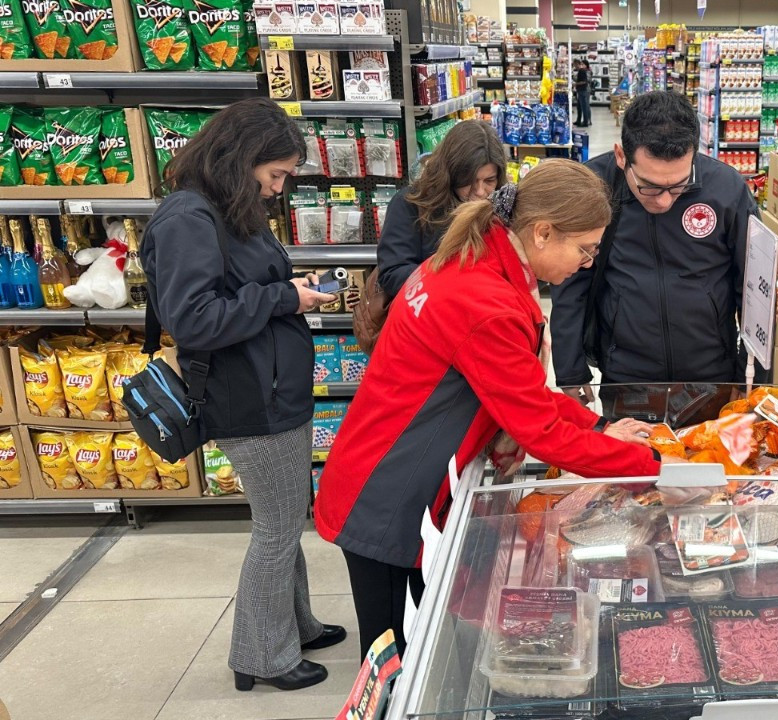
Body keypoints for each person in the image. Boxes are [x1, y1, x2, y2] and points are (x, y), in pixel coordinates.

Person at [314, 160, 670, 658]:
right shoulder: (485, 302)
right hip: (391, 498)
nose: (589, 262)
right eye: (586, 248)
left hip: (384, 469)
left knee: (417, 642)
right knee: (397, 660)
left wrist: (599, 425)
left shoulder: (472, 261)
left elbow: (517, 391)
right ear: (543, 232)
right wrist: (657, 468)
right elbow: (541, 431)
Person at [142, 98, 346, 692]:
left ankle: (295, 625)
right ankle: (262, 654)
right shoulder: (188, 218)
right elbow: (196, 320)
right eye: (275, 174)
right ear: (239, 158)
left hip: (272, 388)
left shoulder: (228, 208)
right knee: (276, 529)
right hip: (246, 398)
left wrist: (292, 286)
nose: (278, 189)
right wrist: (288, 299)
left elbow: (243, 287)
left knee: (286, 516)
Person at [551, 91, 759, 405]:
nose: (664, 200)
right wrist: (570, 372)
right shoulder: (596, 187)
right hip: (625, 379)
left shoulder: (726, 190)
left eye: (678, 185)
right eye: (649, 186)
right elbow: (570, 283)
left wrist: (751, 377)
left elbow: (755, 290)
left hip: (712, 376)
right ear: (621, 156)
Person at [376, 120, 507, 299]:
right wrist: (455, 286)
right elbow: (393, 274)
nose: (480, 192)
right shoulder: (411, 204)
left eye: (489, 181)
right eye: (469, 180)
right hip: (428, 315)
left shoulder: (501, 205)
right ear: (451, 173)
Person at [574, 59, 593, 127]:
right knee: (580, 106)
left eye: (583, 64)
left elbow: (586, 81)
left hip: (585, 89)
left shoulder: (587, 71)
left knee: (585, 106)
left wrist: (576, 83)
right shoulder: (582, 71)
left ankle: (587, 121)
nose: (582, 65)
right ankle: (580, 120)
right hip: (582, 89)